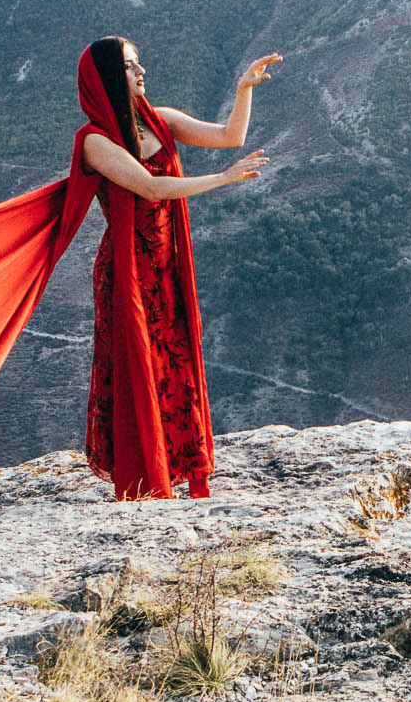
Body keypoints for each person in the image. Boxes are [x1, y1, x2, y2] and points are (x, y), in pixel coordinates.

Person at [71, 37, 279, 500]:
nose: (142, 70)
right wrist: (223, 179)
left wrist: (244, 88)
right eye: (129, 66)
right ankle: (147, 475)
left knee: (176, 361)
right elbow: (149, 187)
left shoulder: (159, 120)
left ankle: (182, 465)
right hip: (128, 269)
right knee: (141, 365)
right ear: (107, 79)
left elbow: (230, 137)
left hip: (166, 261)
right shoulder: (94, 143)